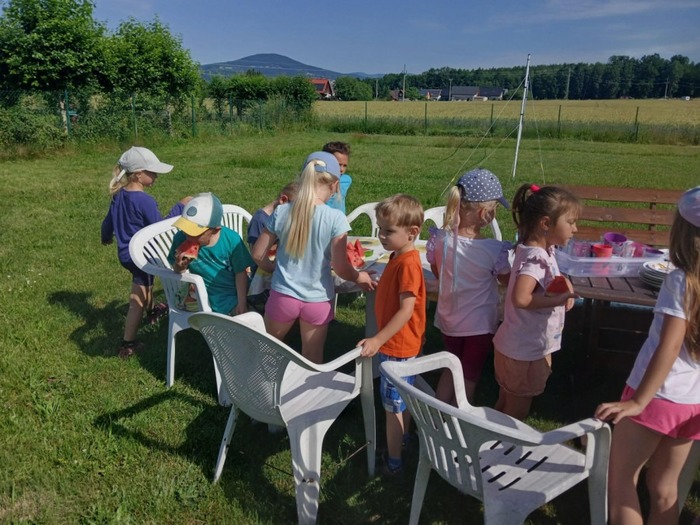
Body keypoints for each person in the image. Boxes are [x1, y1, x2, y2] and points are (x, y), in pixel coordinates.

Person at [595, 187, 700, 525]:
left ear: (682, 233)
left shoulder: (681, 281)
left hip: (658, 396)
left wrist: (639, 401)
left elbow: (669, 346)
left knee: (620, 480)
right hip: (693, 401)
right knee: (665, 489)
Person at [252, 151, 375, 364]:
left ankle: (265, 384)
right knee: (312, 357)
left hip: (282, 295)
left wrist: (271, 268)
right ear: (335, 185)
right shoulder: (336, 218)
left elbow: (257, 253)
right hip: (318, 300)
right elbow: (341, 267)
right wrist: (359, 277)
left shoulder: (282, 212)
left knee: (269, 351)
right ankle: (305, 387)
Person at [492, 184, 580, 420]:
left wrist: (564, 282)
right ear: (546, 223)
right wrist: (556, 299)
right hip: (524, 352)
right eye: (571, 222)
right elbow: (521, 298)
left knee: (505, 402)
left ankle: (487, 436)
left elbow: (543, 280)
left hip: (516, 346)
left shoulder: (535, 249)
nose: (575, 228)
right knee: (516, 413)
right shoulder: (536, 258)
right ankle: (506, 442)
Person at [426, 168, 512, 405]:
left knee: (450, 367)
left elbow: (437, 270)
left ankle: (437, 412)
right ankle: (461, 417)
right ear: (485, 213)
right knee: (469, 376)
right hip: (479, 326)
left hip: (449, 321)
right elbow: (508, 280)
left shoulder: (439, 240)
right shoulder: (493, 250)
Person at [357, 194, 426, 477]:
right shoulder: (398, 255)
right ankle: (404, 439)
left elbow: (406, 311)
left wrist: (377, 339)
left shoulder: (408, 264)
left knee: (392, 407)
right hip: (400, 343)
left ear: (412, 232)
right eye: (380, 229)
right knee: (402, 399)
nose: (382, 236)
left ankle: (394, 461)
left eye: (388, 231)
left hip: (397, 346)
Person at [101, 146, 191, 358]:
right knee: (137, 301)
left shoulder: (119, 195)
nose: (156, 176)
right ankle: (127, 344)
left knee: (146, 281)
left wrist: (105, 237)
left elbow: (108, 222)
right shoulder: (145, 201)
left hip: (125, 254)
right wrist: (180, 207)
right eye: (153, 172)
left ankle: (152, 312)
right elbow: (159, 229)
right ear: (139, 174)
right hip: (140, 256)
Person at [168, 192, 253, 316]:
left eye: (195, 233)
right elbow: (177, 270)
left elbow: (240, 273)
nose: (188, 236)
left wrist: (242, 302)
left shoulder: (232, 240)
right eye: (186, 229)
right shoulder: (180, 238)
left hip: (234, 290)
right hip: (203, 293)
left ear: (215, 230)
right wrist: (180, 266)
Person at [246, 181, 298, 276]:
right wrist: (273, 269)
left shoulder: (285, 218)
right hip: (263, 273)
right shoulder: (259, 221)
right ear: (283, 200)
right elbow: (258, 257)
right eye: (296, 209)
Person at [322, 141, 352, 214]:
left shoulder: (346, 181)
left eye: (345, 166)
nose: (341, 169)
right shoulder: (318, 181)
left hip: (339, 218)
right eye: (339, 164)